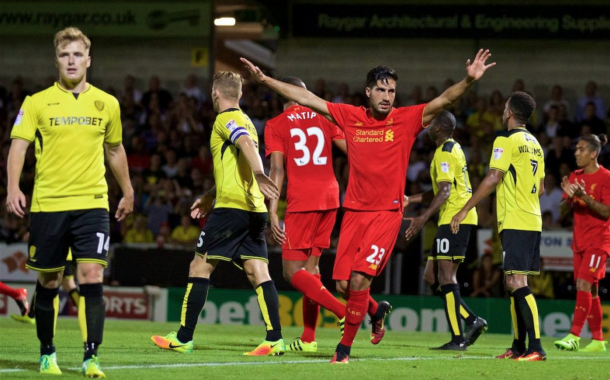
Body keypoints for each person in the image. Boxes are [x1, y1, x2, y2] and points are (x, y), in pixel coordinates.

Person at [242, 48, 495, 363]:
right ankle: (376, 313)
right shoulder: (350, 116)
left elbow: (444, 101)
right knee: (343, 284)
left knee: (360, 281)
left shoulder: (405, 119)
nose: (387, 96)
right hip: (352, 214)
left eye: (391, 90)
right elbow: (306, 98)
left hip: (386, 216)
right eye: (381, 89)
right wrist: (265, 79)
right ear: (368, 91)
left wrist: (468, 81)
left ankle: (343, 350)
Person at [6, 27, 134, 377]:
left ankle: (91, 356)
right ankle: (47, 352)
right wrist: (13, 187)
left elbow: (114, 149)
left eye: (78, 54)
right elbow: (19, 146)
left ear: (88, 60)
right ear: (57, 60)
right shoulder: (36, 102)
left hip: (92, 203)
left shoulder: (107, 103)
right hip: (48, 205)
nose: (72, 60)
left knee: (91, 275)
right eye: (65, 55)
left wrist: (127, 190)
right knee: (49, 281)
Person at [151, 71, 284, 356]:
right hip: (254, 209)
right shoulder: (247, 120)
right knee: (257, 270)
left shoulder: (227, 119)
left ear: (215, 93)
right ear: (240, 95)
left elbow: (246, 146)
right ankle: (275, 338)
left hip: (233, 210)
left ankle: (184, 337)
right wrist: (211, 196)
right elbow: (237, 163)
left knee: (199, 267)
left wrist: (260, 173)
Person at [451, 92, 546, 361]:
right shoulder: (536, 144)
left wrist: (465, 208)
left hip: (516, 220)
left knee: (517, 281)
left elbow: (493, 178)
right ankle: (518, 346)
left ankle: (536, 347)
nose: (503, 111)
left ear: (509, 113)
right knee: (512, 281)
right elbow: (540, 188)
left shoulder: (506, 139)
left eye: (505, 108)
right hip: (530, 217)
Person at [265, 76, 349, 352]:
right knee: (312, 271)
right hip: (330, 197)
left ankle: (342, 312)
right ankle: (309, 339)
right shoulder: (324, 116)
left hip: (303, 201)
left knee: (291, 272)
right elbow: (350, 150)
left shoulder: (276, 125)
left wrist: (272, 210)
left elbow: (276, 171)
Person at [405, 111, 487, 350]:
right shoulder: (453, 148)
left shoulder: (444, 152)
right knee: (431, 275)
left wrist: (422, 218)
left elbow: (445, 192)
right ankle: (472, 320)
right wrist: (411, 199)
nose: (427, 128)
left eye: (430, 125)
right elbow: (441, 188)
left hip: (454, 219)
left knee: (446, 277)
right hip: (450, 217)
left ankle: (458, 338)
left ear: (439, 128)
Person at [554, 134, 610, 353]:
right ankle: (598, 340)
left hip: (599, 241)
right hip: (579, 242)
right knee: (592, 290)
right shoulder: (575, 176)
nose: (576, 153)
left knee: (583, 285)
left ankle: (574, 335)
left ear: (594, 153)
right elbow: (561, 210)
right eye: (576, 149)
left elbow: (607, 212)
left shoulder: (606, 177)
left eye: (582, 149)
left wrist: (584, 197)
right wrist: (567, 197)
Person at [12, 253, 80, 325]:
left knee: (44, 281)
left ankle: (32, 315)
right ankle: (85, 312)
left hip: (54, 253)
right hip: (65, 255)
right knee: (69, 285)